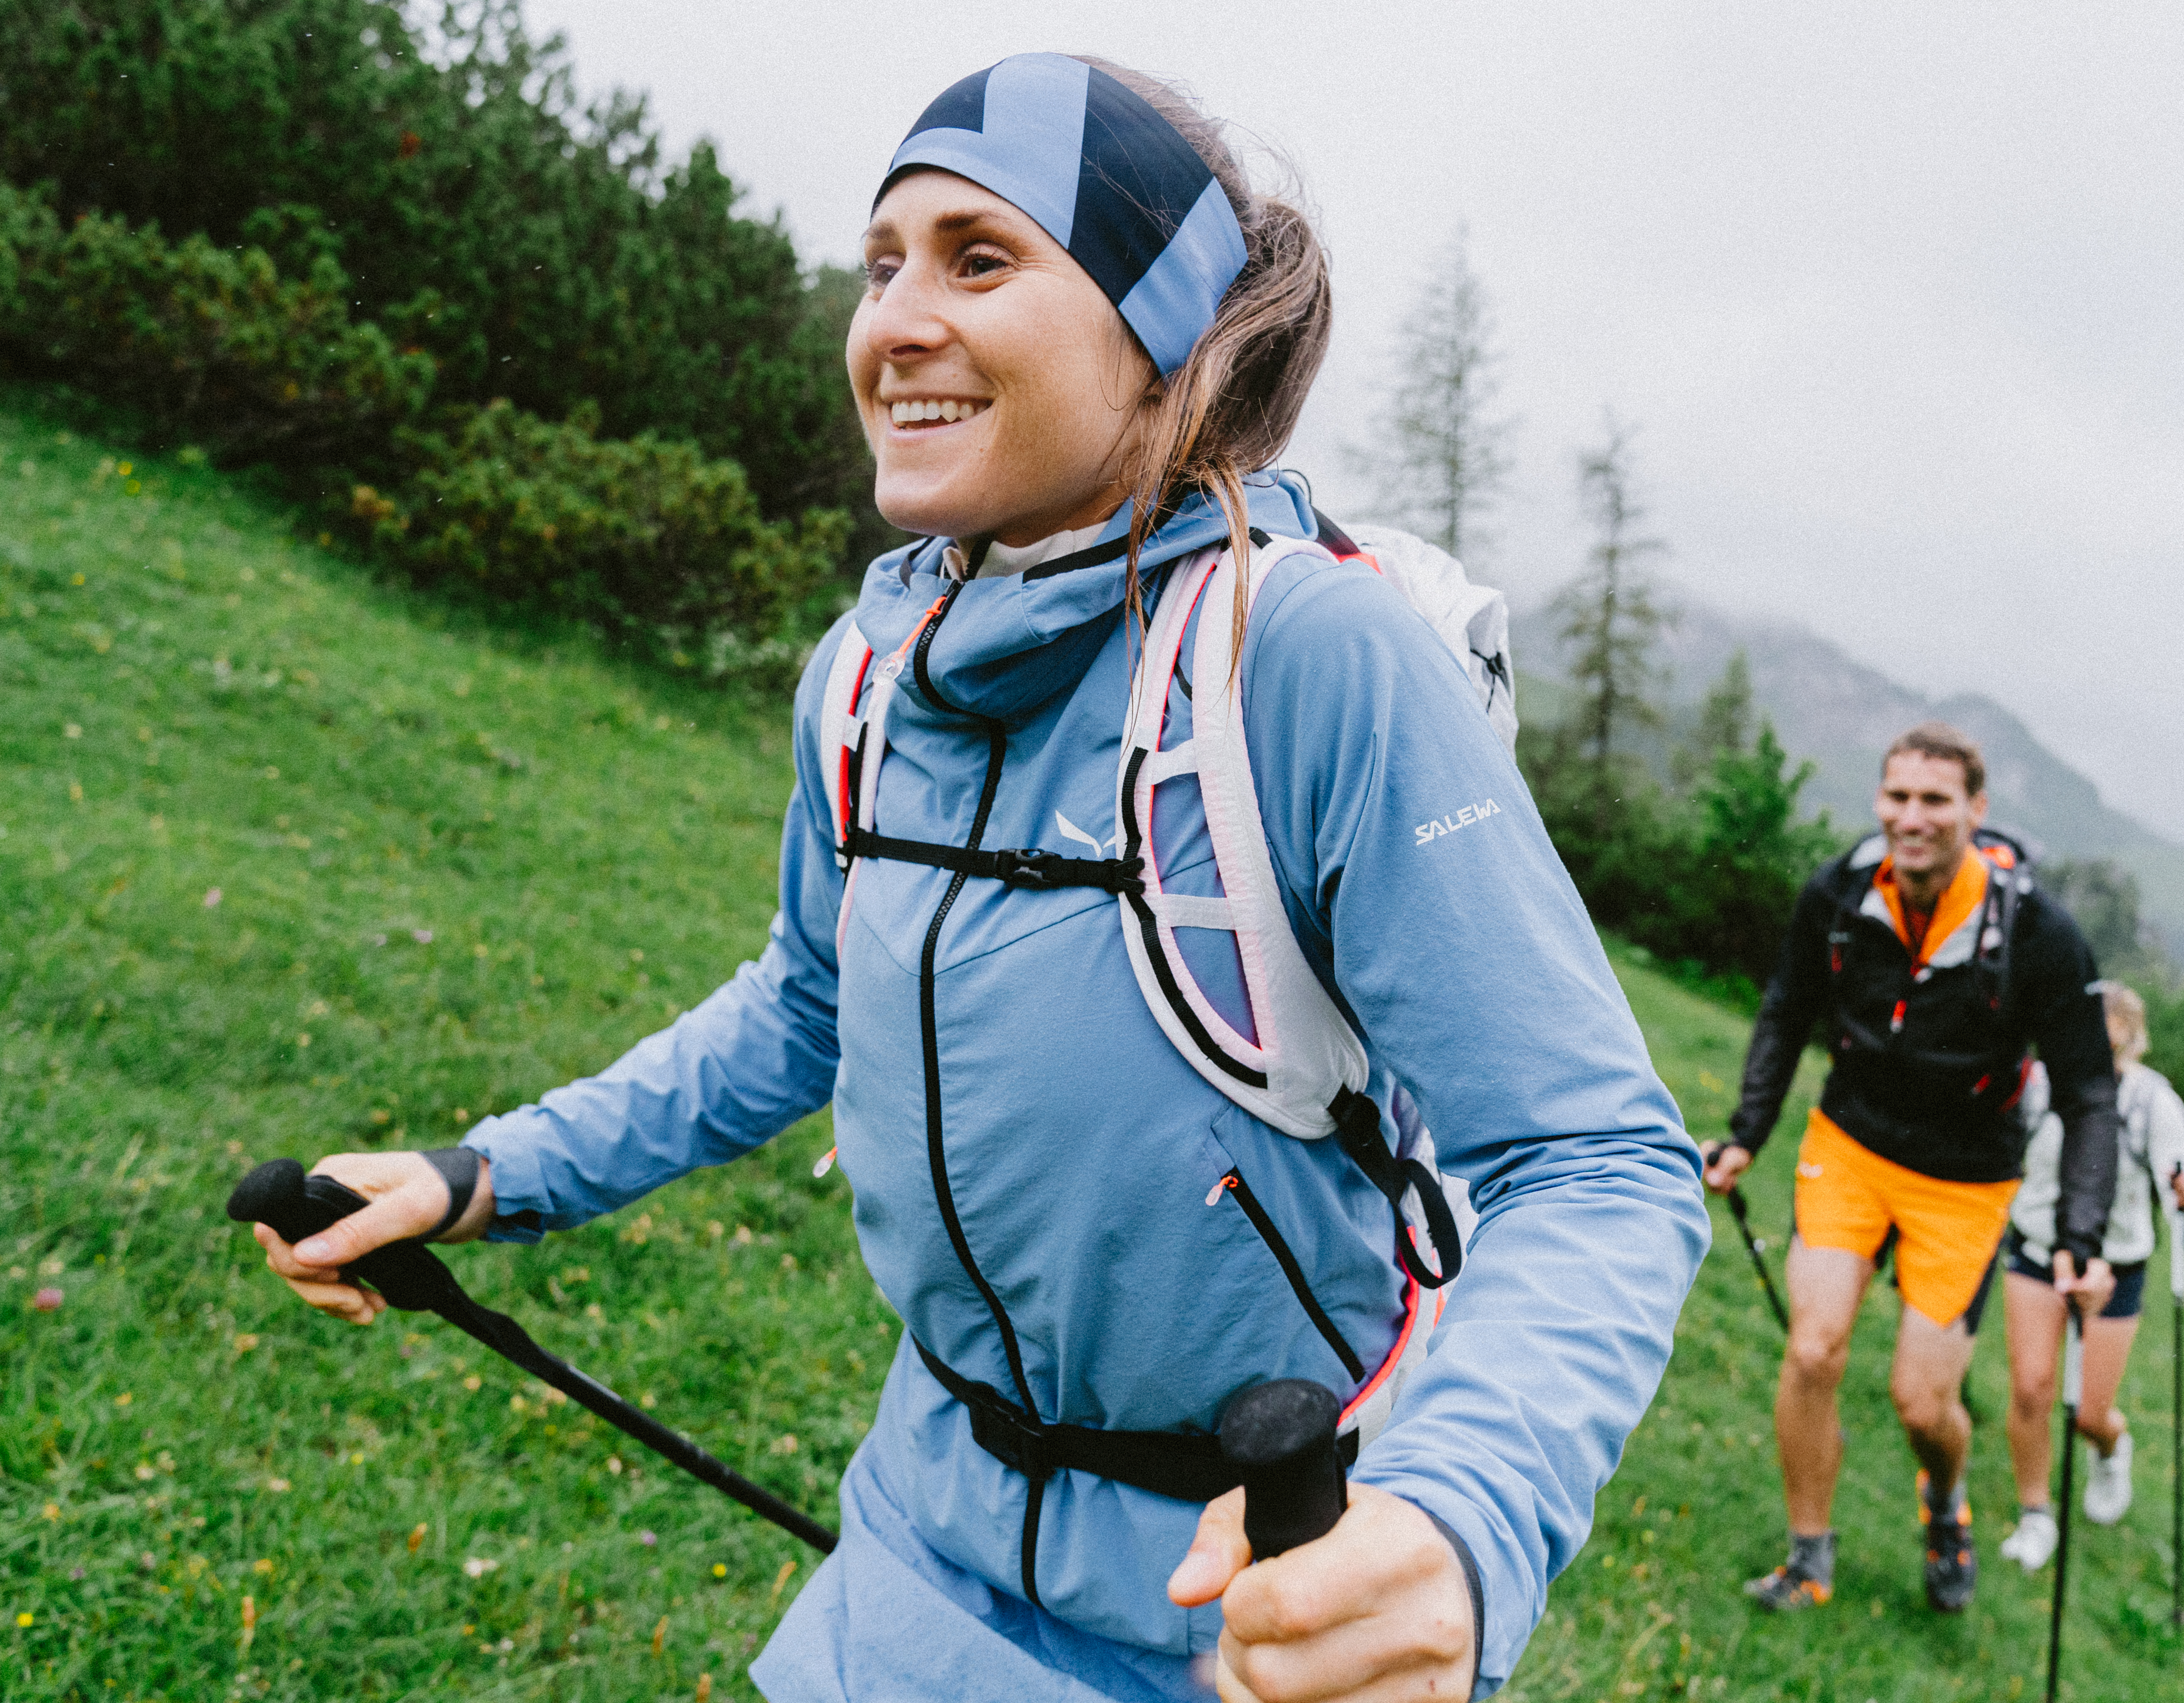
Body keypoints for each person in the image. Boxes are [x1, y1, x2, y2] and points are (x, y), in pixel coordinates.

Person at [246, 53, 1708, 1703]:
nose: (895, 321)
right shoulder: (869, 670)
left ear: (1166, 327)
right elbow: (806, 1001)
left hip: (1250, 1619)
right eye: (884, 264)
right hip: (918, 1536)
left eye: (980, 256)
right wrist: (487, 1172)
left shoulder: (1306, 651)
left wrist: (1465, 1511)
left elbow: (1594, 1160)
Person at [1703, 721, 2121, 1614]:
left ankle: (1945, 1500)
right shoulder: (1843, 889)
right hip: (1850, 1143)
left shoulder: (2037, 930)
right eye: (1897, 796)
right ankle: (1808, 1559)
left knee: (1922, 1402)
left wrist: (2083, 1233)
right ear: (1879, 799)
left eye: (1935, 799)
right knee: (1813, 1348)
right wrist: (1748, 1131)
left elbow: (2090, 1093)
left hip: (1967, 1179)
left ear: (1977, 809)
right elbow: (1787, 1010)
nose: (1912, 816)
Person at [1998, 981, 2184, 1568]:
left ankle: (2111, 1449)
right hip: (2039, 1249)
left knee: (2090, 1412)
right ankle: (2037, 1514)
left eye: (2112, 1047)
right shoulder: (2039, 1083)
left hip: (2117, 1266)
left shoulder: (2155, 1105)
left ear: (2132, 1045)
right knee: (2032, 1390)